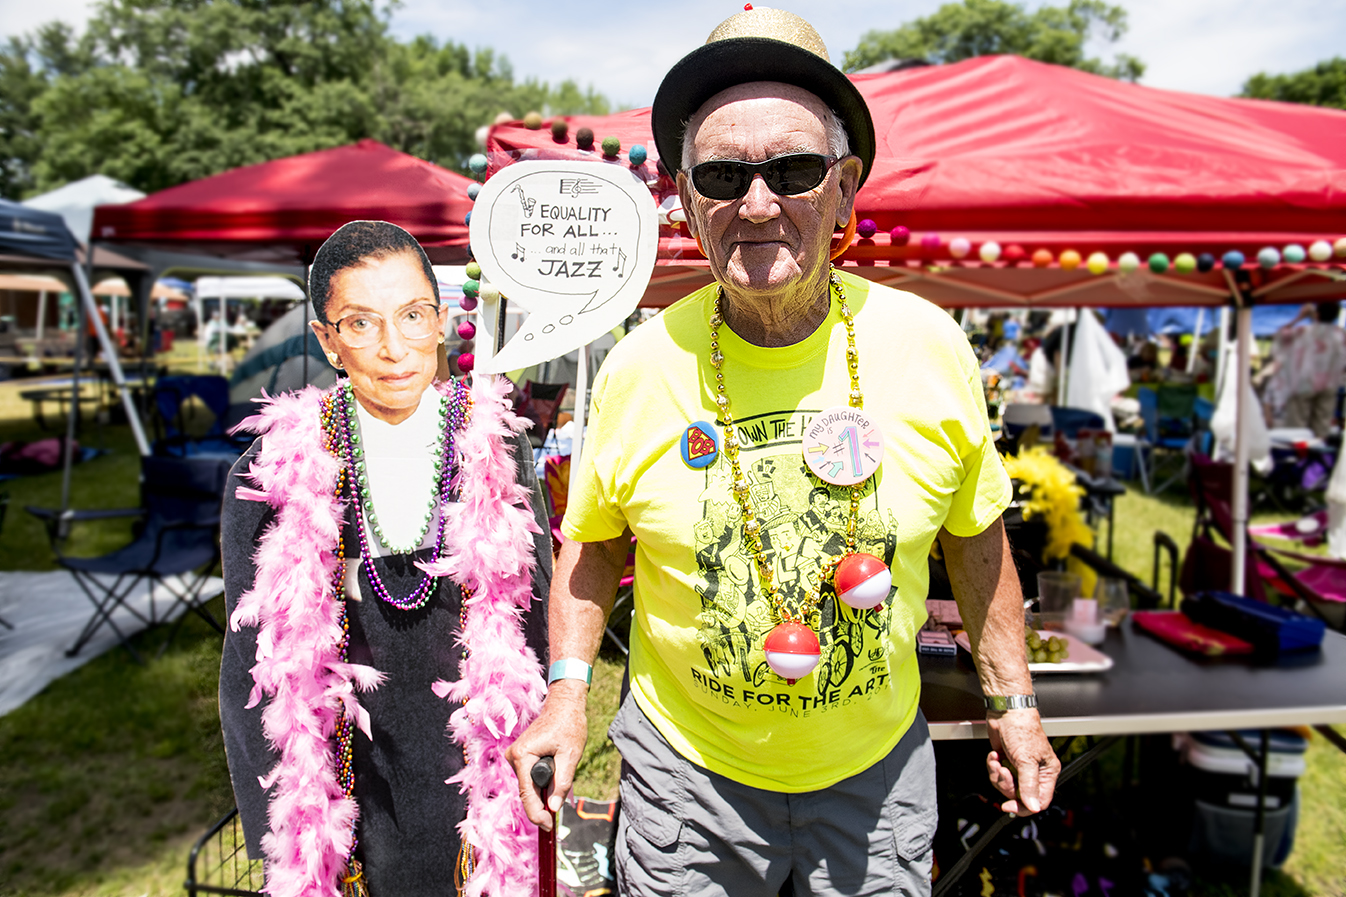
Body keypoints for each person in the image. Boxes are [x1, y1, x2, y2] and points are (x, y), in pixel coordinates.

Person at [506, 9, 1057, 897]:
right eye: (723, 176)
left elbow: (977, 540)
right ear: (688, 202)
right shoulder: (641, 364)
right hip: (689, 786)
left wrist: (1016, 707)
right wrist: (568, 693)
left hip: (875, 775)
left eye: (792, 170)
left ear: (843, 189)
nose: (756, 203)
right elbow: (596, 542)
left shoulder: (929, 345)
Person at [220, 221, 551, 897]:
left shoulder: (496, 451)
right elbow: (251, 658)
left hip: (476, 766)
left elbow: (534, 619)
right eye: (361, 323)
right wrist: (282, 834)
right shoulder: (275, 471)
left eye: (411, 316)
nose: (395, 348)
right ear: (328, 342)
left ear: (441, 321)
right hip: (350, 781)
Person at [1277, 301, 1346, 437]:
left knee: (1296, 426)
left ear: (1317, 313)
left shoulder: (1304, 331)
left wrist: (1300, 317)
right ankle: (1317, 455)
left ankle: (1297, 455)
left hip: (1304, 383)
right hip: (1329, 384)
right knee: (1322, 425)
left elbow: (1281, 335)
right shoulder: (1341, 335)